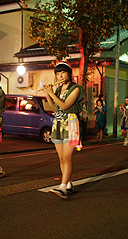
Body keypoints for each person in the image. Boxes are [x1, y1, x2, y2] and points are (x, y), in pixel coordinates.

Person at [43, 61, 83, 199]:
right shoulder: (58, 90)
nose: (60, 75)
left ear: (69, 74)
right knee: (61, 157)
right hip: (58, 123)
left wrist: (51, 94)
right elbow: (54, 108)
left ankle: (63, 185)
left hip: (70, 123)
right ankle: (69, 183)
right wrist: (48, 94)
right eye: (57, 73)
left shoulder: (76, 88)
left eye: (63, 72)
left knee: (67, 157)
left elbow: (65, 105)